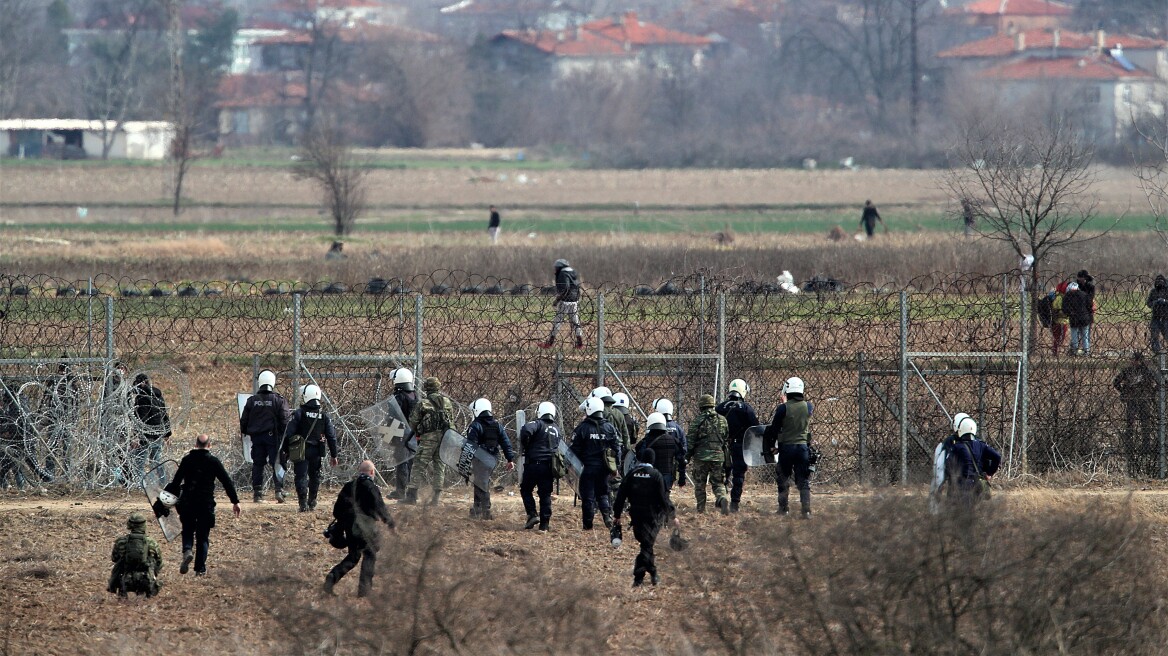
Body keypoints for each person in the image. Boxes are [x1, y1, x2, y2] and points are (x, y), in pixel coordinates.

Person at [164, 434, 241, 577]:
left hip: (187, 502)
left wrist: (166, 501)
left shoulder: (187, 460)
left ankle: (187, 549)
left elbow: (176, 482)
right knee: (203, 536)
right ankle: (200, 569)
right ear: (209, 445)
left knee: (187, 529)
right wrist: (235, 501)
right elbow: (226, 482)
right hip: (205, 504)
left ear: (196, 444)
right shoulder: (213, 461)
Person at [324, 460, 395, 598]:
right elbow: (380, 508)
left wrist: (346, 522)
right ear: (372, 472)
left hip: (350, 529)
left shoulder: (349, 486)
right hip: (366, 529)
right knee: (370, 555)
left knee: (353, 556)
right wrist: (390, 524)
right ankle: (364, 592)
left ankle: (332, 577)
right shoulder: (371, 487)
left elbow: (337, 510)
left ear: (359, 471)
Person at [611, 448, 678, 587]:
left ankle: (648, 576)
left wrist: (617, 515)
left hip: (636, 516)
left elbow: (620, 496)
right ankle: (643, 576)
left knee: (646, 545)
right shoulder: (656, 475)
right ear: (653, 460)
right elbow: (663, 498)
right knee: (647, 546)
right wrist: (672, 516)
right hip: (653, 518)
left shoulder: (631, 474)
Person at [762, 377, 814, 518]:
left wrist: (772, 445)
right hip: (803, 449)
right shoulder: (808, 406)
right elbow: (799, 415)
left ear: (787, 390)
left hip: (787, 449)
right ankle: (806, 511)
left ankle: (783, 509)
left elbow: (774, 429)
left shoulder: (782, 408)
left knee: (783, 478)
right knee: (803, 480)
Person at [283, 384, 339, 512]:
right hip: (316, 450)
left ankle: (302, 503)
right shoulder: (324, 416)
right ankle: (312, 501)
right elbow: (331, 436)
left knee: (301, 476)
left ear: (306, 396)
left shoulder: (299, 413)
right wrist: (334, 455)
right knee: (315, 476)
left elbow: (289, 433)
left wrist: (286, 450)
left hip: (300, 449)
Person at [239, 370, 291, 503]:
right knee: (278, 463)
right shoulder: (279, 400)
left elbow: (243, 421)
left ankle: (258, 494)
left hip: (257, 438)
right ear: (272, 382)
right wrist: (283, 436)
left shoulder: (252, 401)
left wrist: (248, 432)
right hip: (273, 438)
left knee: (258, 464)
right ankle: (279, 490)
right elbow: (285, 420)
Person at [570, 397, 619, 530]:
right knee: (603, 492)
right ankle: (607, 516)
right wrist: (615, 468)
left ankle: (588, 524)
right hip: (605, 468)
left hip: (588, 467)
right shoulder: (609, 427)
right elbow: (616, 448)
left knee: (588, 496)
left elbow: (574, 449)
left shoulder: (582, 428)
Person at [406, 377, 454, 506]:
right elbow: (451, 421)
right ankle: (435, 499)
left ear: (426, 389)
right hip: (444, 438)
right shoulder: (447, 402)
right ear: (438, 387)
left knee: (418, 465)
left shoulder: (423, 403)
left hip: (428, 438)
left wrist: (416, 431)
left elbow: (413, 422)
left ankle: (411, 496)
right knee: (440, 467)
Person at [465, 398, 516, 520]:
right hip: (492, 459)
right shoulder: (497, 425)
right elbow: (506, 443)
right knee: (480, 481)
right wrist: (510, 459)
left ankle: (485, 510)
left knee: (482, 482)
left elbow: (470, 445)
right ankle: (477, 508)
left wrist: (465, 461)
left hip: (480, 458)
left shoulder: (475, 425)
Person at [1113, 353, 1162, 479]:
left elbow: (1159, 382)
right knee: (1131, 423)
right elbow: (1116, 382)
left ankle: (1145, 445)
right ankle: (1130, 444)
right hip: (1133, 400)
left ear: (1139, 360)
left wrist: (1151, 392)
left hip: (1143, 399)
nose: (1133, 362)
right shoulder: (1129, 370)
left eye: (1135, 360)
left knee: (1145, 423)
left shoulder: (1146, 371)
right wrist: (1124, 391)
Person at [716, 378, 759, 513]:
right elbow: (755, 428)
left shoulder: (720, 407)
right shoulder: (746, 409)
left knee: (722, 474)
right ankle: (735, 504)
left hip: (722, 446)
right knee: (738, 475)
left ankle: (721, 499)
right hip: (740, 446)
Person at [519, 401, 561, 531]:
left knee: (525, 489)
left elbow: (525, 430)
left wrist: (526, 445)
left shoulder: (537, 424)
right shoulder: (557, 429)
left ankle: (532, 514)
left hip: (533, 465)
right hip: (549, 467)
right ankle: (545, 525)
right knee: (545, 495)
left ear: (540, 411)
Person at [943, 417, 1001, 509]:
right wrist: (989, 473)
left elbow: (947, 465)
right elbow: (997, 457)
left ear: (960, 430)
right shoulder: (981, 445)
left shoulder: (957, 447)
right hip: (977, 484)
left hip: (961, 484)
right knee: (976, 511)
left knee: (958, 513)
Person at [686, 394, 731, 514]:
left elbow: (690, 442)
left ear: (701, 406)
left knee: (700, 484)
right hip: (718, 456)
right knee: (718, 482)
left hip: (701, 457)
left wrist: (686, 457)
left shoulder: (697, 421)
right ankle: (722, 499)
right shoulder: (723, 420)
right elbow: (726, 438)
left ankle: (701, 509)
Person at [107, 512, 163, 598]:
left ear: (129, 525)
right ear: (144, 525)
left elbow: (114, 558)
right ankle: (150, 591)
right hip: (146, 581)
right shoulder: (152, 542)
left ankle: (115, 589)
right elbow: (159, 562)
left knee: (119, 565)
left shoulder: (121, 541)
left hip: (126, 581)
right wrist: (153, 573)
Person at [132, 373, 172, 487]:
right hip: (158, 433)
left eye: (136, 384)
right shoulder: (158, 396)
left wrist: (136, 436)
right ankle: (163, 482)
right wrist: (167, 434)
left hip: (146, 434)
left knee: (139, 461)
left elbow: (141, 419)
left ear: (142, 383)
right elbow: (164, 415)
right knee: (156, 460)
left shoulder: (143, 398)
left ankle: (140, 485)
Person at [538, 259, 584, 350]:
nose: (555, 270)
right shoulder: (572, 272)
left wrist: (557, 300)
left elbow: (565, 288)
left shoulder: (563, 274)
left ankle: (550, 343)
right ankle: (580, 344)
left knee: (557, 322)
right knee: (575, 322)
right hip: (574, 300)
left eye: (556, 268)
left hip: (565, 301)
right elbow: (577, 287)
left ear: (560, 267)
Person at [387, 368, 418, 501]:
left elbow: (393, 417)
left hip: (401, 433)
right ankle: (411, 491)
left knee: (401, 462)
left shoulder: (398, 397)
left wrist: (387, 435)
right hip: (413, 433)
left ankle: (401, 491)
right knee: (410, 462)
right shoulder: (414, 395)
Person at [636, 413, 683, 496]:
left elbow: (639, 456)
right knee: (664, 499)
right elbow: (682, 459)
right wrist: (682, 478)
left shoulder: (645, 441)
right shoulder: (673, 440)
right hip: (667, 476)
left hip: (650, 475)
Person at [1062, 281, 1093, 356]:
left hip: (1074, 318)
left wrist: (1069, 313)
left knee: (1074, 336)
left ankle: (1075, 351)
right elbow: (1090, 306)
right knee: (1085, 336)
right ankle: (1087, 352)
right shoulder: (1084, 294)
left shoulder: (1067, 296)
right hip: (1085, 318)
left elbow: (1064, 308)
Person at [1146, 274, 1168, 355]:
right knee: (1154, 335)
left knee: (1167, 334)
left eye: (1161, 281)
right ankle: (1156, 351)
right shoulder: (1153, 291)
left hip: (1166, 317)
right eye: (1158, 281)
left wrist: (1165, 301)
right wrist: (1155, 302)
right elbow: (1148, 303)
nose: (1160, 283)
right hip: (1155, 317)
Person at [1050, 282, 1070, 357]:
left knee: (1057, 338)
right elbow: (1056, 309)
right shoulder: (1060, 297)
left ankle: (1055, 351)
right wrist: (1065, 313)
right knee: (1059, 338)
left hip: (1059, 321)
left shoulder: (1059, 296)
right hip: (1061, 322)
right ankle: (1055, 352)